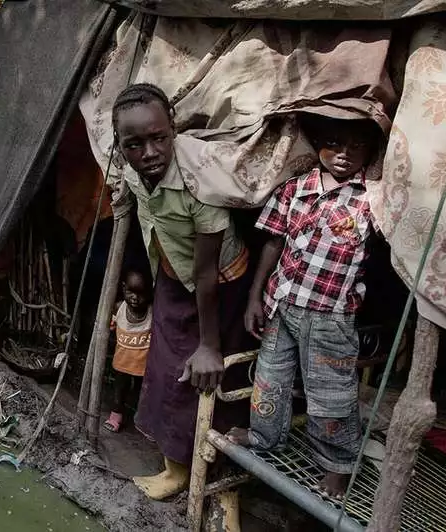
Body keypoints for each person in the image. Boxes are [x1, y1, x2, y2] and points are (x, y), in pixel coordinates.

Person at [110, 83, 255, 500]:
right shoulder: (135, 171)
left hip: (219, 288)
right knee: (167, 378)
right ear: (120, 147)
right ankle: (175, 469)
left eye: (158, 138)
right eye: (134, 144)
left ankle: (220, 487)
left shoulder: (199, 183)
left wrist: (209, 344)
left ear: (173, 129)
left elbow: (206, 273)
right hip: (172, 280)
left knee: (211, 381)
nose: (150, 153)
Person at [227, 116, 381, 499]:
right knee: (269, 381)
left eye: (356, 147)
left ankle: (336, 465)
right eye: (335, 143)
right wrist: (255, 297)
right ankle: (265, 437)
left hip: (331, 316)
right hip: (282, 304)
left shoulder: (374, 199)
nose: (344, 154)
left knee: (331, 395)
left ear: (371, 152)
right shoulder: (296, 187)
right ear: (319, 144)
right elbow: (273, 244)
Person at [103, 270, 153, 433]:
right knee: (120, 390)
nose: (135, 298)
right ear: (123, 288)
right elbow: (109, 329)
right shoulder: (118, 308)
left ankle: (142, 419)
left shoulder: (153, 312)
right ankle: (116, 415)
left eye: (141, 294)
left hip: (143, 365)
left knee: (143, 392)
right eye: (131, 291)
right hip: (122, 363)